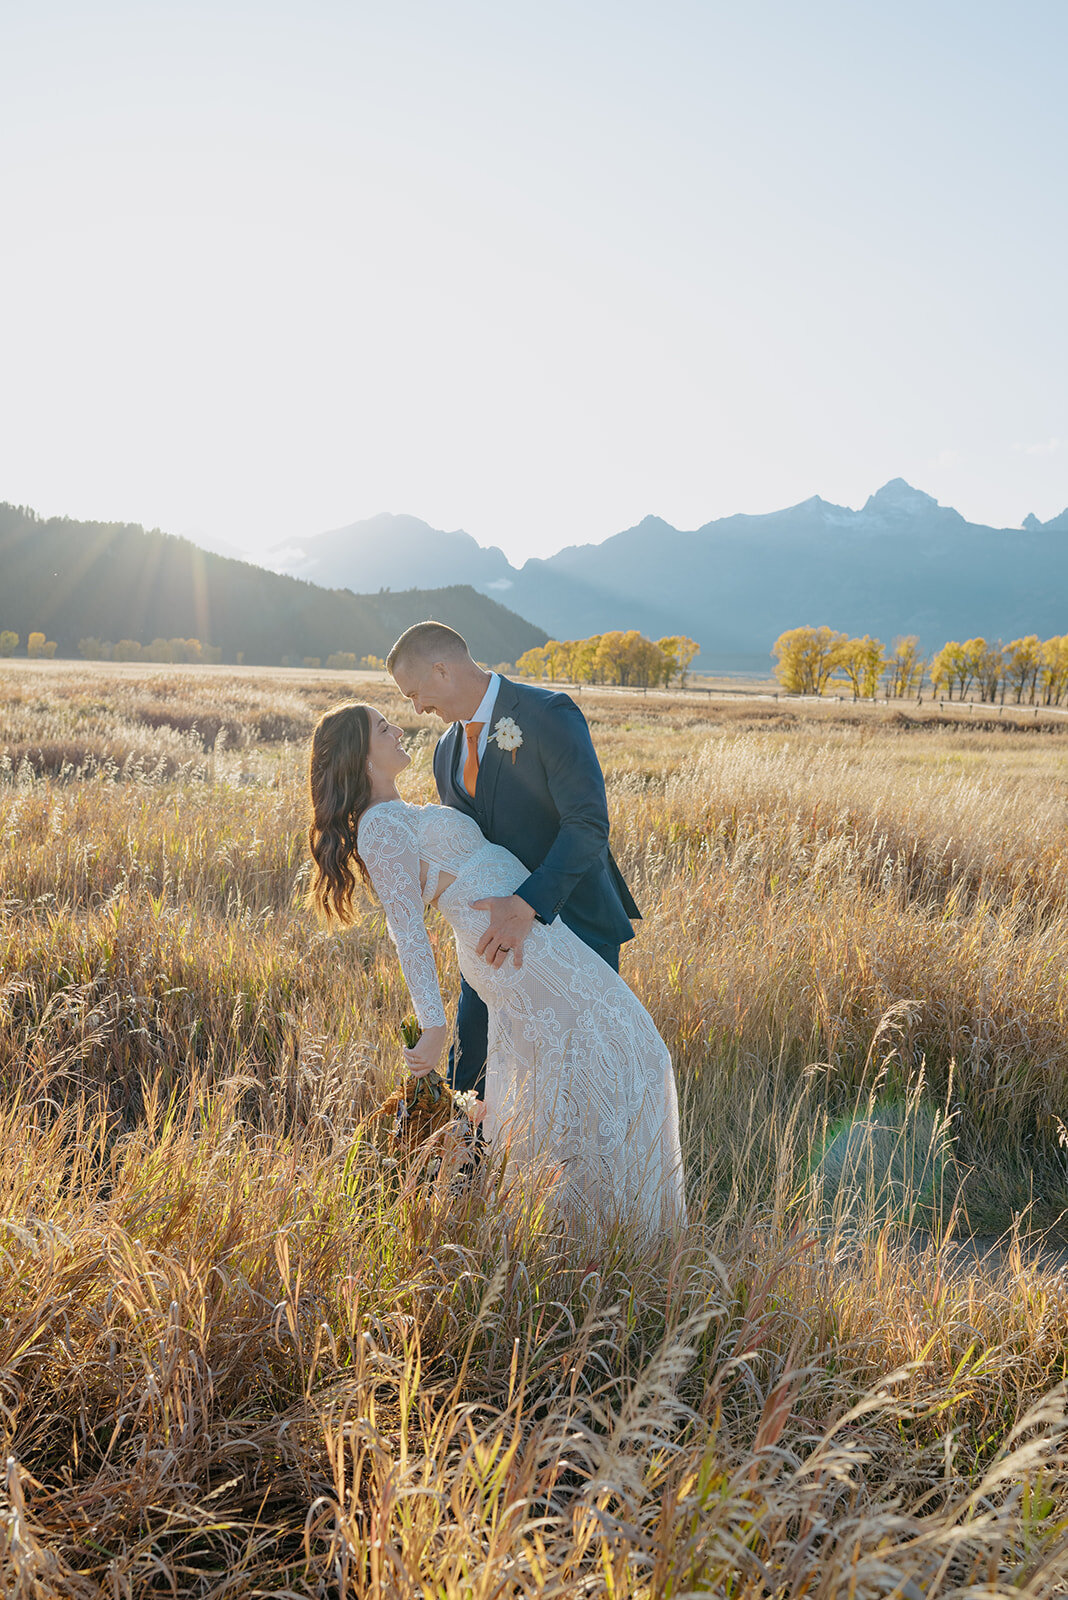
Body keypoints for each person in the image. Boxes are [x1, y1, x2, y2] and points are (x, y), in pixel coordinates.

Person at [307, 699, 686, 1231]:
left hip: (527, 944)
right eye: (382, 727)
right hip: (512, 953)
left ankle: (592, 1221)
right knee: (629, 1051)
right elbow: (407, 932)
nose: (397, 729)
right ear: (363, 756)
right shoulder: (380, 829)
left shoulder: (396, 815)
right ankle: (593, 1223)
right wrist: (434, 1026)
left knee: (587, 1065)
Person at [386, 621, 640, 1103]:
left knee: (578, 1079)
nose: (417, 708)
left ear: (442, 670)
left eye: (415, 693)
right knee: (475, 1073)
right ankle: (473, 1173)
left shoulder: (549, 714)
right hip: (492, 944)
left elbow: (587, 825)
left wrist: (526, 905)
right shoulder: (445, 751)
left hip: (574, 923)